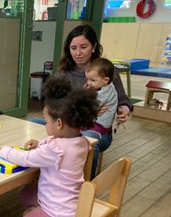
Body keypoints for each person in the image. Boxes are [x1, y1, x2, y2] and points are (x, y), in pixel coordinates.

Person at [0, 77, 99, 217]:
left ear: (59, 123)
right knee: (27, 194)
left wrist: (3, 150)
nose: (46, 124)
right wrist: (40, 142)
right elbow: (57, 145)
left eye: (46, 121)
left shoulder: (55, 150)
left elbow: (26, 159)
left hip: (58, 211)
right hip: (70, 202)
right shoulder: (81, 140)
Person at [29, 24, 132, 179]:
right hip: (65, 126)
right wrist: (86, 110)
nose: (78, 53)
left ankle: (84, 188)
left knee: (88, 141)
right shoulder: (63, 73)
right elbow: (52, 103)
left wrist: (124, 108)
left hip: (96, 130)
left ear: (94, 46)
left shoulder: (106, 70)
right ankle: (41, 176)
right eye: (73, 48)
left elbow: (122, 98)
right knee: (32, 123)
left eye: (83, 47)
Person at [84, 58, 118, 179]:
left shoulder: (105, 92)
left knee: (88, 141)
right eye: (88, 79)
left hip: (99, 129)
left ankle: (90, 178)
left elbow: (88, 105)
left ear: (105, 80)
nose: (89, 82)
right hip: (92, 124)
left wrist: (85, 94)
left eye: (92, 80)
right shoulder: (102, 87)